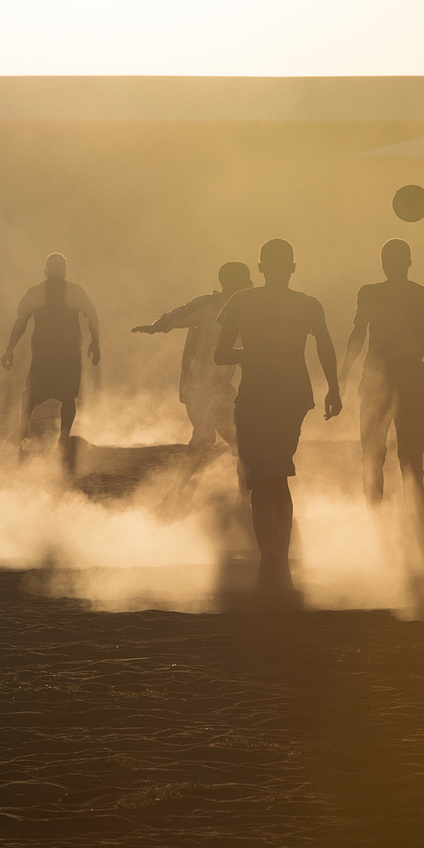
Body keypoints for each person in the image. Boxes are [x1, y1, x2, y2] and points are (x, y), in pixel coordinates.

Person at [214, 238, 341, 592]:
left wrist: (251, 354)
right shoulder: (307, 304)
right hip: (293, 398)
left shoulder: (242, 300)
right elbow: (325, 344)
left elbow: (221, 354)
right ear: (293, 268)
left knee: (261, 478)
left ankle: (269, 558)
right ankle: (277, 561)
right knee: (279, 474)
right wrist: (333, 387)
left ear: (260, 268)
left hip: (256, 397)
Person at [339, 238, 424, 555]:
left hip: (383, 380)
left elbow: (357, 335)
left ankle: (386, 536)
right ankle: (415, 539)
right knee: (409, 463)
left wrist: (341, 376)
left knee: (376, 460)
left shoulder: (373, 293)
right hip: (400, 379)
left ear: (384, 264)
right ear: (408, 263)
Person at [133, 261, 253, 449]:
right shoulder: (208, 305)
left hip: (223, 387)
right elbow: (180, 315)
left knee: (240, 442)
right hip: (198, 384)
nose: (251, 283)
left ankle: (244, 479)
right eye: (246, 279)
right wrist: (156, 327)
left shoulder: (245, 313)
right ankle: (181, 480)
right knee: (204, 438)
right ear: (233, 282)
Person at [2, 253, 101, 448]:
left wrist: (95, 342)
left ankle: (64, 437)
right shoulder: (35, 293)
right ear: (45, 271)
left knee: (68, 397)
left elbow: (92, 316)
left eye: (60, 268)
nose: (56, 272)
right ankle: (23, 428)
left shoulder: (75, 292)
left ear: (64, 271)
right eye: (53, 268)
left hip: (69, 355)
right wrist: (9, 349)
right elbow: (21, 322)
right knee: (30, 394)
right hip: (43, 356)